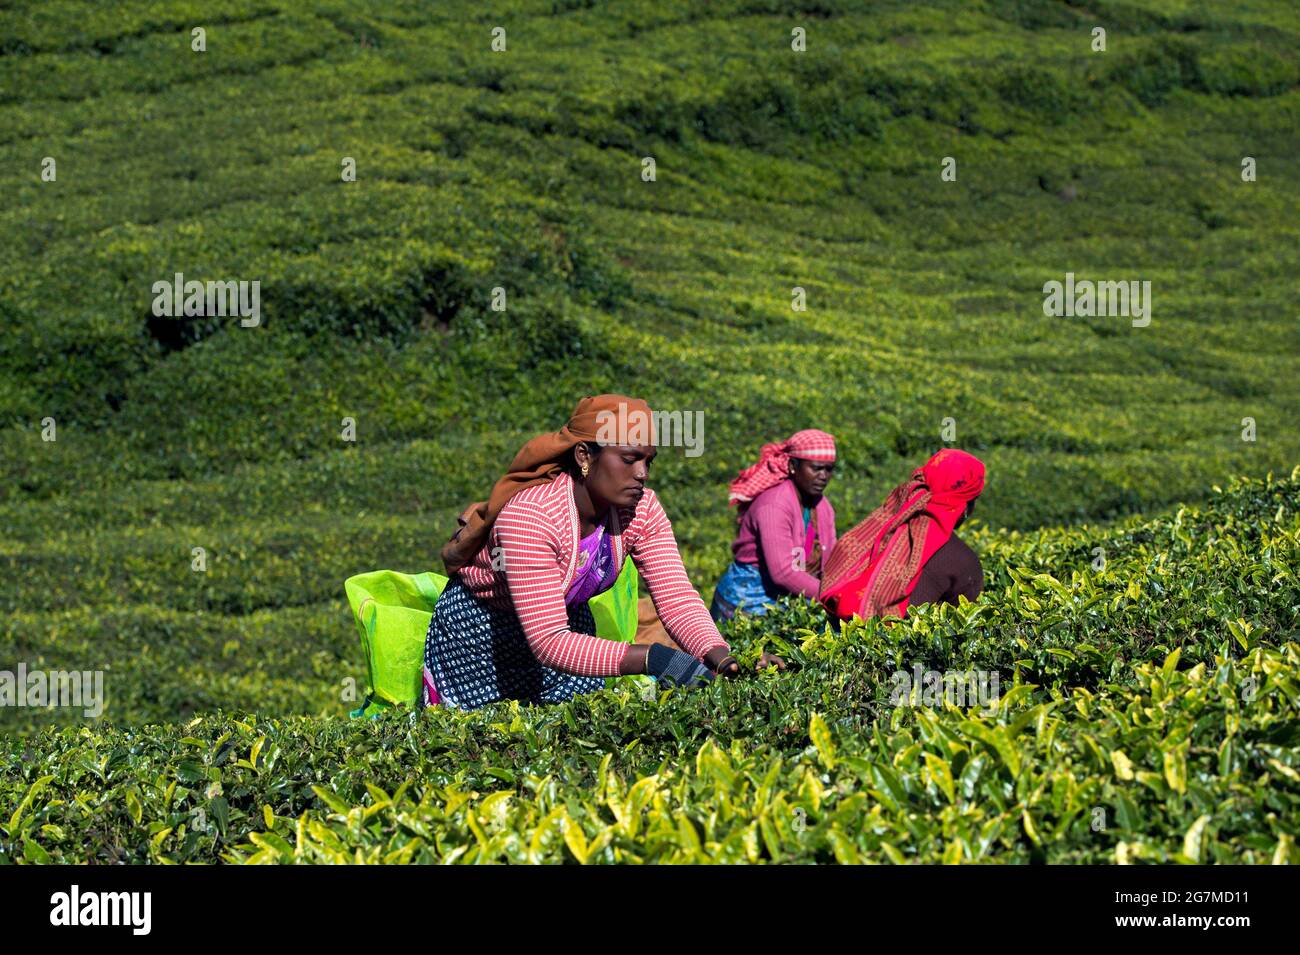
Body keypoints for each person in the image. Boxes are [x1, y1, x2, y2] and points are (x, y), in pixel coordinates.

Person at [424, 394, 742, 711]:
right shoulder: (532, 517)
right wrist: (652, 658)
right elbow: (548, 642)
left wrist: (718, 655)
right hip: (483, 640)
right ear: (583, 456)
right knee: (491, 744)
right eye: (629, 459)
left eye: (649, 461)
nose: (642, 473)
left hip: (568, 628)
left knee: (571, 738)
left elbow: (675, 596)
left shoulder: (641, 509)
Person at [819, 448, 984, 622]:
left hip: (835, 634)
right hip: (894, 646)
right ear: (965, 506)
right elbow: (963, 629)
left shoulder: (882, 525)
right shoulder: (965, 562)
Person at [710, 429, 838, 621]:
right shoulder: (774, 504)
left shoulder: (822, 506)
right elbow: (783, 573)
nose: (823, 476)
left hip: (788, 599)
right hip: (745, 603)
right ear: (793, 466)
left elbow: (831, 558)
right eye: (816, 468)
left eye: (829, 469)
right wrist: (830, 596)